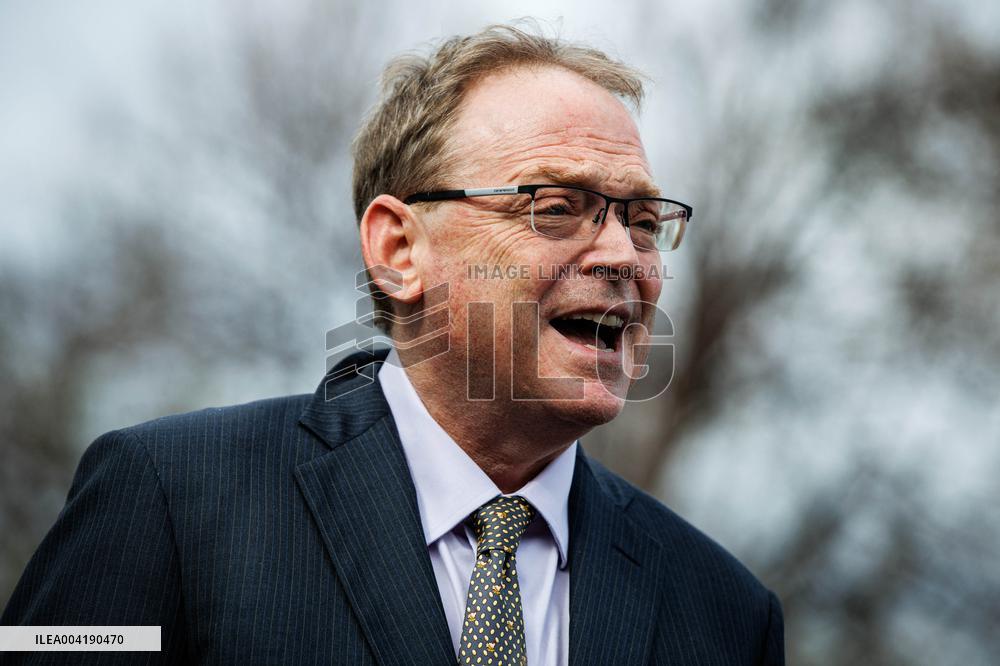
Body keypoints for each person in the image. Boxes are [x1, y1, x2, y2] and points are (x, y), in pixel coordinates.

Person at [2, 24, 784, 665]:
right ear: (400, 250)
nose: (622, 256)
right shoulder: (168, 499)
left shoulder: (726, 614)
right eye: (555, 207)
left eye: (643, 222)